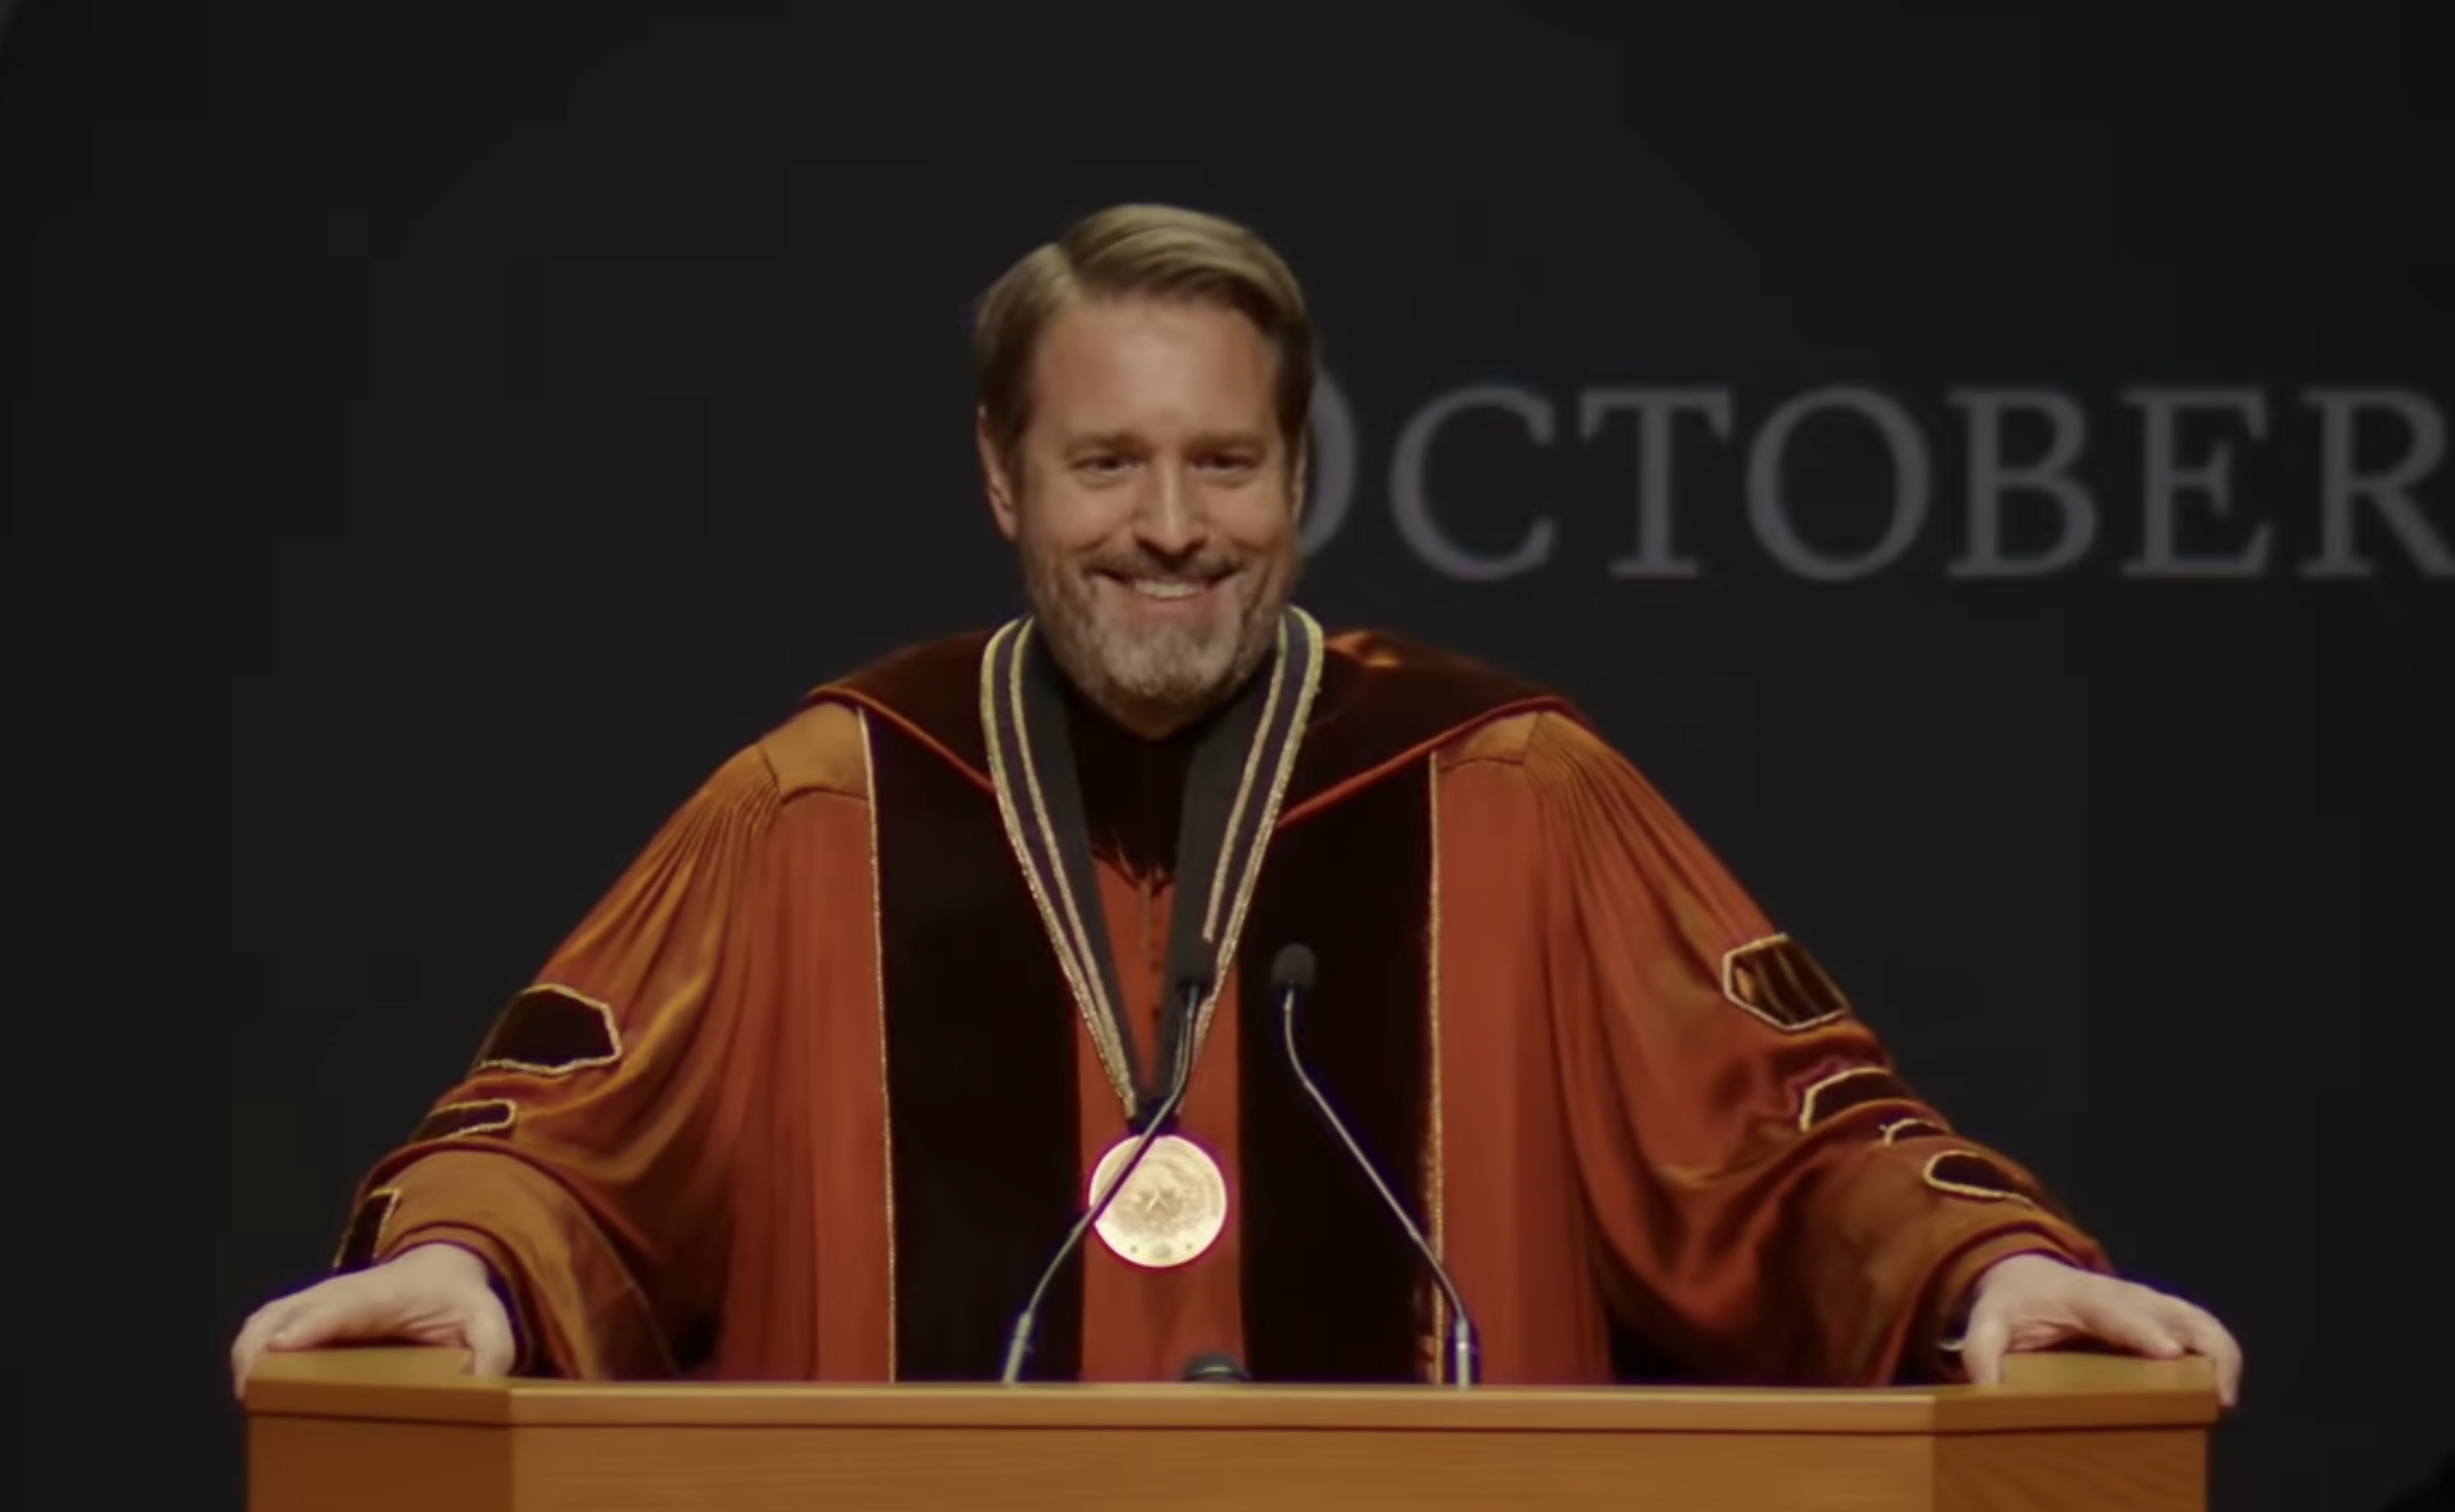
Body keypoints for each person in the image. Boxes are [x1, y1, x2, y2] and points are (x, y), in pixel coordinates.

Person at [231, 204, 2242, 1402]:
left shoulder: (1508, 793)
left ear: (1300, 477)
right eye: (1107, 463)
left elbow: (1789, 1138)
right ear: (1006, 481)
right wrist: (470, 1265)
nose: (1171, 528)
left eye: (1225, 462)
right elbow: (574, 1141)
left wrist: (1988, 1270)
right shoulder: (821, 806)